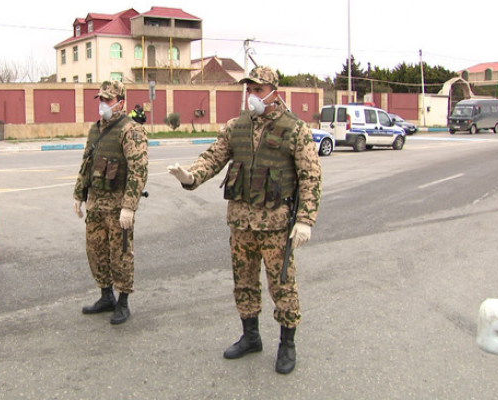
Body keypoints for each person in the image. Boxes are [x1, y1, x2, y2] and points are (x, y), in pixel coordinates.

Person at [167, 66, 321, 374]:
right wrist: (190, 175)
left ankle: (287, 344)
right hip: (241, 226)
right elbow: (213, 158)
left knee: (282, 286)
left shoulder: (295, 129)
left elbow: (311, 176)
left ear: (274, 92)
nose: (251, 95)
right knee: (244, 284)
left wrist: (305, 219)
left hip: (277, 226)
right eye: (248, 89)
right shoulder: (235, 126)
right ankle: (251, 337)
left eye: (258, 90)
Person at [73, 80, 149, 325]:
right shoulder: (95, 129)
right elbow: (87, 163)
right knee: (95, 251)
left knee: (121, 254)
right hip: (95, 205)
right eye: (101, 100)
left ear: (120, 102)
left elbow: (138, 171)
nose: (103, 104)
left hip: (118, 208)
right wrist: (78, 194)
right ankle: (106, 296)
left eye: (108, 99)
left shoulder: (131, 130)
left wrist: (129, 206)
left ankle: (123, 301)